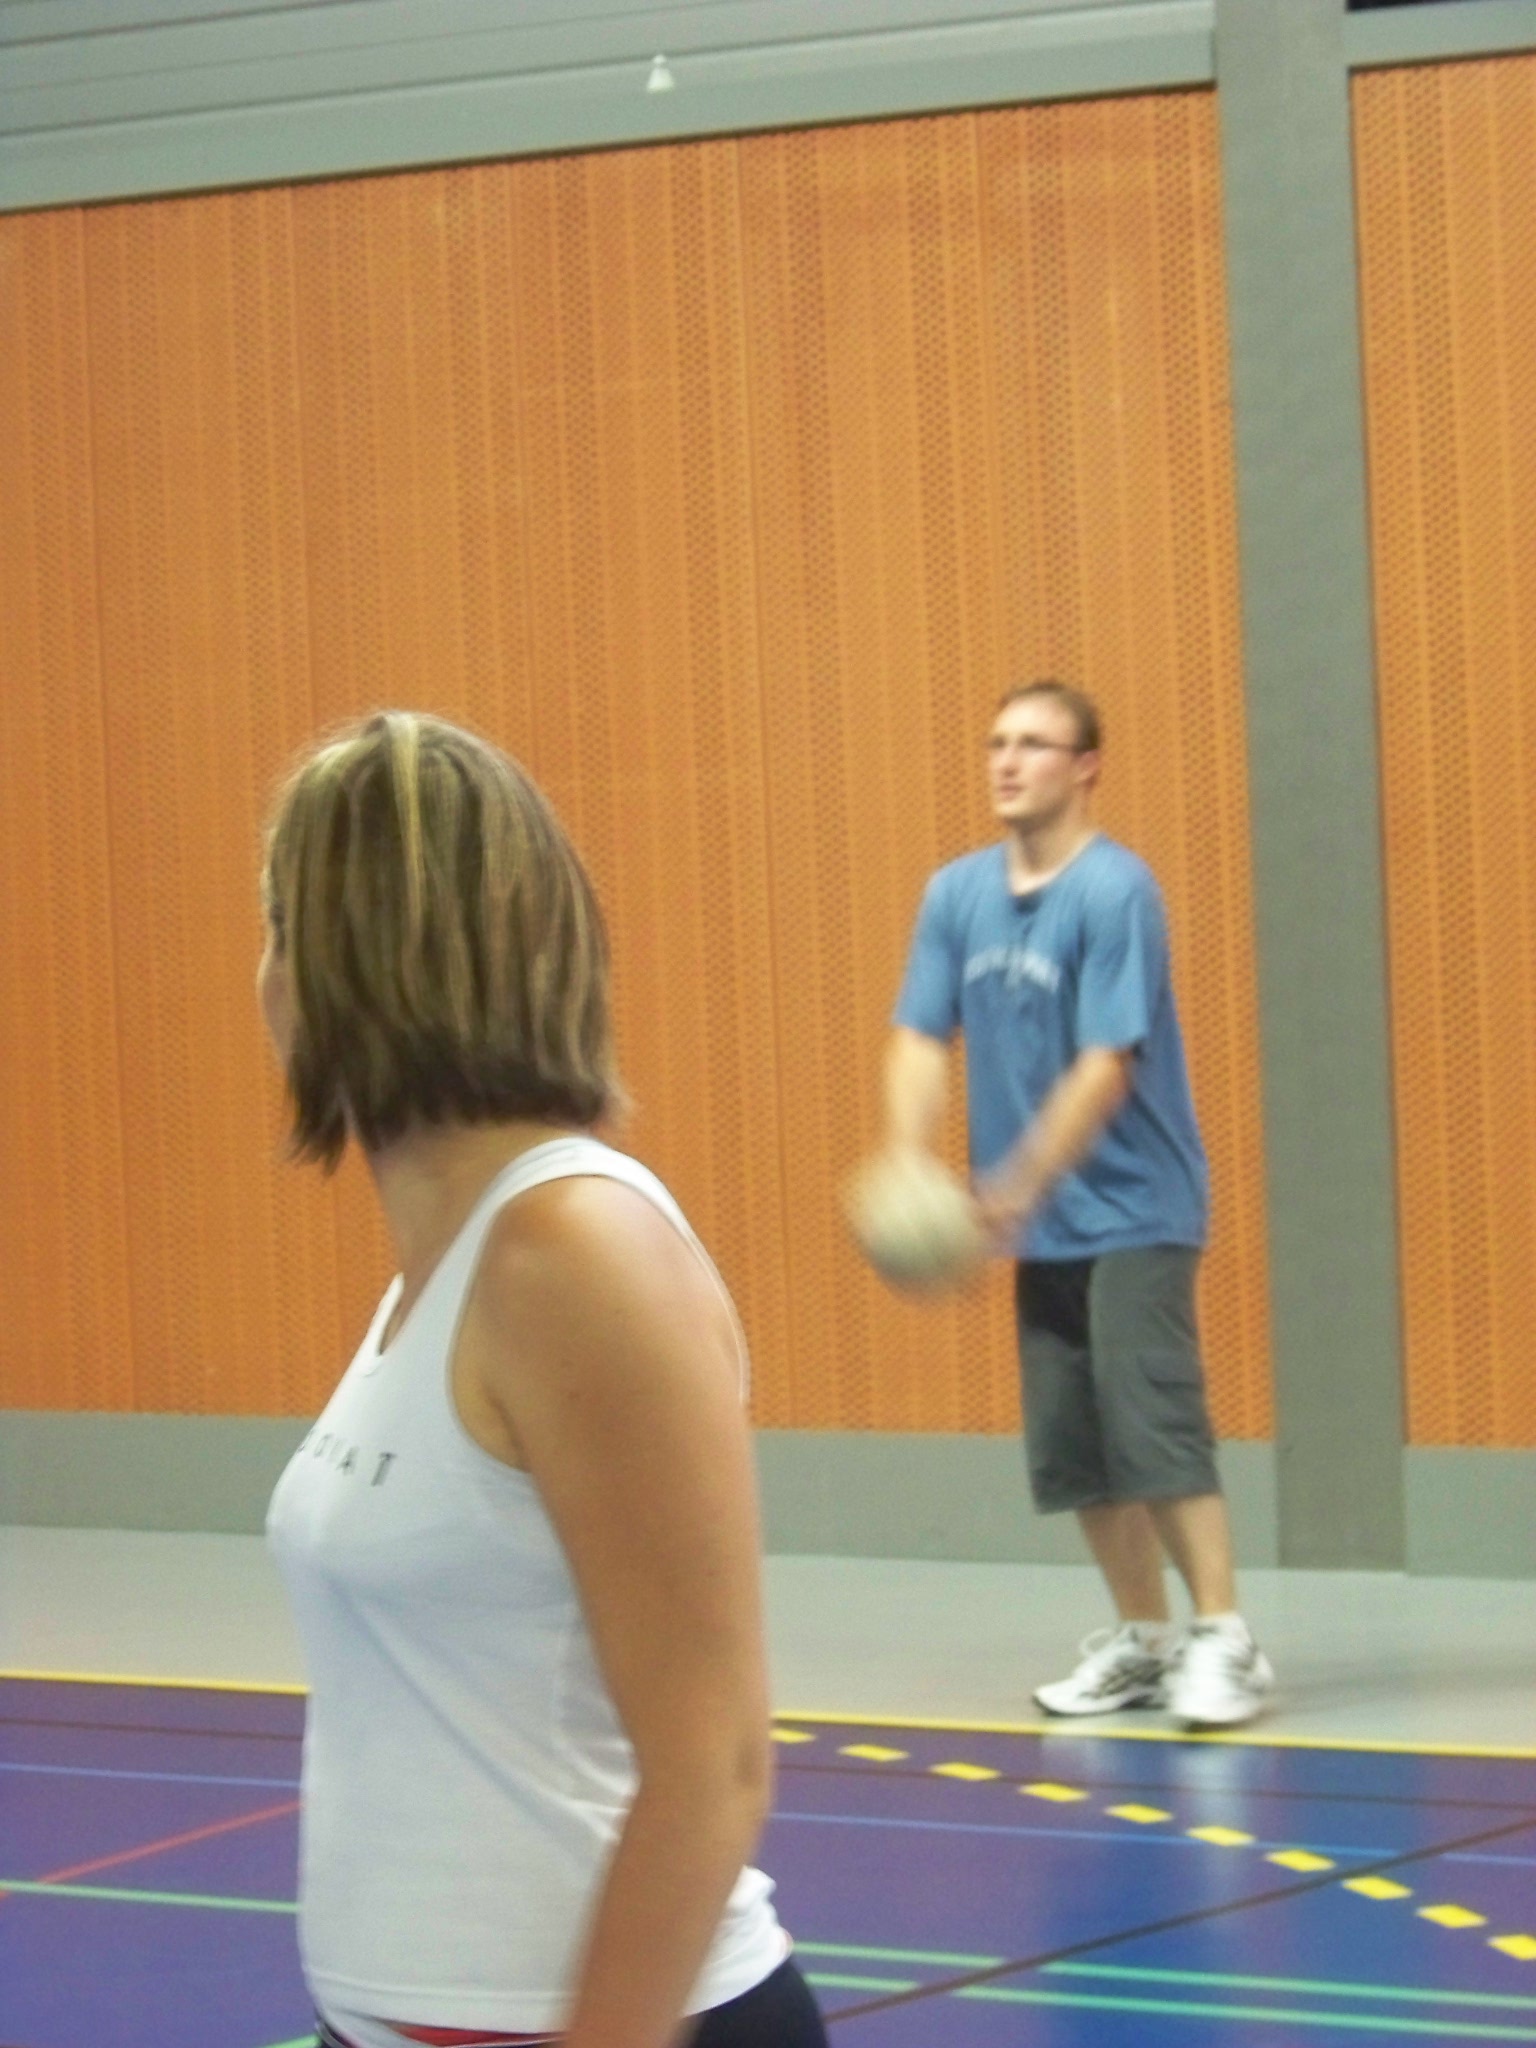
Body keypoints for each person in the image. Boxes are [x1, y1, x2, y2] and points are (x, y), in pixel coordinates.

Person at [261, 713, 827, 2048]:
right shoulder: (439, 1270)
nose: (265, 974)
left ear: (346, 958)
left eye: (279, 924)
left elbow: (714, 1764)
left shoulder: (572, 1252)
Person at [880, 680, 1273, 1729]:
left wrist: (1012, 1184)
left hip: (1138, 1206)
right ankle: (1144, 1638)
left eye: (1035, 744)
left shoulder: (1114, 891)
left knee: (1152, 1423)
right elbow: (918, 1036)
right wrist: (906, 1158)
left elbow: (1106, 1064)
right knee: (1076, 1444)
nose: (1007, 761)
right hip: (1043, 1221)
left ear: (1087, 765)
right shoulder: (956, 894)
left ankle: (1224, 1635)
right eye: (996, 742)